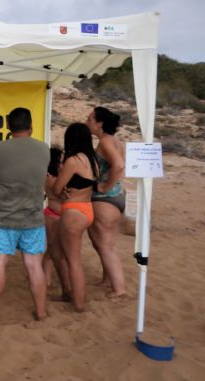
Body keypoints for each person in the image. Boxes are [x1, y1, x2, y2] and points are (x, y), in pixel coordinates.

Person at [0, 107, 50, 321]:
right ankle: (41, 312)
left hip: (2, 218)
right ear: (31, 126)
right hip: (33, 219)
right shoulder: (44, 149)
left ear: (8, 126)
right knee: (34, 265)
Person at [53, 122, 100, 312]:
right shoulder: (92, 159)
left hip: (73, 212)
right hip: (87, 209)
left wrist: (61, 189)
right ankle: (67, 293)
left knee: (73, 260)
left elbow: (56, 189)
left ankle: (78, 303)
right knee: (56, 252)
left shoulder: (73, 161)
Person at [86, 107, 126, 297]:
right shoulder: (114, 141)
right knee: (102, 243)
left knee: (105, 246)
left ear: (99, 123)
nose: (88, 122)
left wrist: (104, 187)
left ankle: (119, 289)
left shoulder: (105, 142)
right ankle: (107, 279)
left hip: (105, 200)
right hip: (115, 197)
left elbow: (119, 165)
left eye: (90, 119)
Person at [43, 147, 68, 295]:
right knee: (52, 251)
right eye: (61, 160)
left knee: (52, 252)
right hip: (53, 215)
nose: (63, 163)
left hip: (55, 215)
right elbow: (61, 194)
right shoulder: (50, 178)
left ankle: (46, 280)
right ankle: (45, 281)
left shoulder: (55, 176)